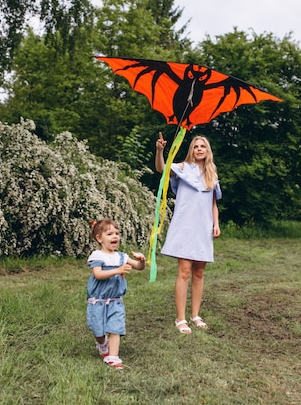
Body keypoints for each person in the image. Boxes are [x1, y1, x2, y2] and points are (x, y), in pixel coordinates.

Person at [154, 132, 221, 334]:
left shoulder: (211, 174)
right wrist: (160, 150)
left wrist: (215, 224)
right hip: (185, 226)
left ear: (208, 151)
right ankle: (180, 318)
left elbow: (213, 203)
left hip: (203, 227)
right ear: (191, 150)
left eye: (203, 146)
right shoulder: (183, 168)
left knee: (199, 272)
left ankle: (195, 315)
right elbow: (162, 169)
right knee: (184, 271)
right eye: (196, 146)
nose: (199, 149)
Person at [86, 219, 146, 370]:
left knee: (115, 328)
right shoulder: (97, 255)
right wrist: (117, 271)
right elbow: (98, 274)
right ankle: (102, 343)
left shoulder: (121, 256)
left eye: (117, 233)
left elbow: (138, 267)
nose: (115, 237)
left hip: (115, 301)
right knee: (97, 329)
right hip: (98, 301)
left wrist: (142, 260)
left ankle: (113, 357)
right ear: (99, 238)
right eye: (110, 234)